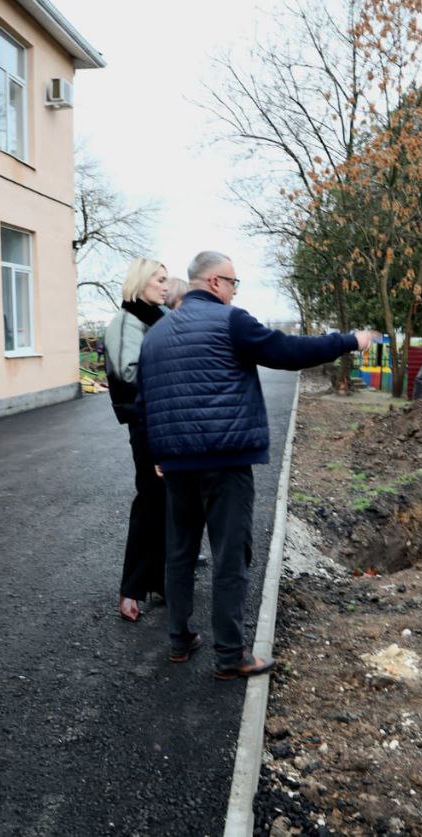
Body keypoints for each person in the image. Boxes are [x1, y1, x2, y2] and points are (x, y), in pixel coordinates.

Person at [138, 251, 373, 679]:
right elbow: (286, 351)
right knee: (230, 557)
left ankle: (179, 639)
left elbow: (145, 401)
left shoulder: (156, 334)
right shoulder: (231, 322)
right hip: (225, 462)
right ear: (213, 282)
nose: (233, 291)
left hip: (176, 466)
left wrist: (158, 454)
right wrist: (347, 340)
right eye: (232, 282)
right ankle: (230, 656)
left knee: (180, 552)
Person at [104, 257, 170, 622]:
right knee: (149, 501)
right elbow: (127, 376)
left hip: (165, 422)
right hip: (145, 425)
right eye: (159, 279)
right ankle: (130, 589)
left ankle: (160, 579)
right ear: (141, 282)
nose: (165, 285)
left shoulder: (156, 319)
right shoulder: (126, 322)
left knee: (166, 502)